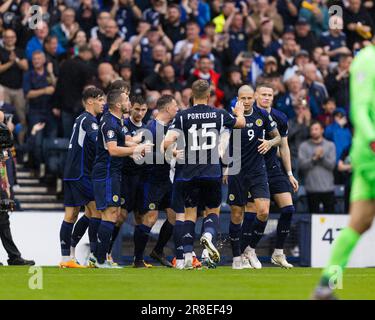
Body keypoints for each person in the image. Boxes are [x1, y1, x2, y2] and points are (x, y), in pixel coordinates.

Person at [313, 43, 375, 300]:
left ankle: (326, 284)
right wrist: (372, 138)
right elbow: (359, 108)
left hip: (366, 152)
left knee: (359, 222)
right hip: (371, 151)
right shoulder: (367, 60)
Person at [162, 79, 246, 269]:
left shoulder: (182, 116)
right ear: (209, 96)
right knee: (212, 210)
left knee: (190, 213)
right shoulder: (219, 114)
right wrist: (239, 113)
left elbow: (167, 142)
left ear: (192, 95)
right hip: (211, 171)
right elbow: (240, 123)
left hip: (188, 173)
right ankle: (208, 236)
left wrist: (174, 150)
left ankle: (187, 257)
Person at [91, 90, 151, 268]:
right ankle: (100, 259)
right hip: (107, 172)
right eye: (126, 100)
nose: (129, 103)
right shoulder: (110, 122)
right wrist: (136, 150)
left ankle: (99, 256)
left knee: (113, 214)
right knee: (110, 214)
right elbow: (113, 150)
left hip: (113, 173)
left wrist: (140, 145)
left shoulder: (116, 121)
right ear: (118, 105)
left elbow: (123, 142)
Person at [225, 84, 280, 270]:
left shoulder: (262, 115)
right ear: (238, 98)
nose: (247, 102)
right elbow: (223, 140)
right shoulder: (231, 115)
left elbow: (278, 137)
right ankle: (236, 258)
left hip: (257, 169)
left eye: (249, 98)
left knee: (264, 211)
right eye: (243, 98)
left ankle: (250, 249)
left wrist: (270, 142)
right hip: (236, 170)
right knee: (237, 214)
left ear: (254, 97)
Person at [59, 87, 105, 268]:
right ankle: (94, 255)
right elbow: (99, 142)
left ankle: (66, 258)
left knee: (72, 215)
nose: (103, 104)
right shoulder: (89, 120)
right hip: (81, 173)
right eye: (100, 100)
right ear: (90, 101)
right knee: (96, 210)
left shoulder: (80, 118)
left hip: (72, 172)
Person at [256, 83, 299, 268]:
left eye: (270, 95)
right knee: (254, 214)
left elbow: (284, 147)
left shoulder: (280, 117)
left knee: (288, 209)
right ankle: (247, 251)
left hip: (273, 169)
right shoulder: (251, 116)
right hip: (254, 170)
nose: (266, 97)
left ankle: (278, 253)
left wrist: (289, 173)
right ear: (256, 95)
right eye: (263, 94)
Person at [133, 95, 179, 268]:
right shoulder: (151, 128)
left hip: (165, 179)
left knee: (174, 215)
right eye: (175, 106)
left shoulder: (166, 128)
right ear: (167, 108)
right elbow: (144, 154)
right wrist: (173, 153)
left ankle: (158, 250)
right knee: (150, 218)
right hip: (151, 180)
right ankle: (137, 259)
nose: (177, 109)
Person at [298, 121, 336, 213]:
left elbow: (332, 165)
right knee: (312, 220)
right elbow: (302, 166)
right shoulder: (304, 146)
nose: (314, 131)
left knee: (330, 218)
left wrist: (322, 157)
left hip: (328, 189)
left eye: (316, 129)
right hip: (312, 189)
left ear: (322, 130)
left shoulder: (330, 145)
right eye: (312, 129)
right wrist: (314, 158)